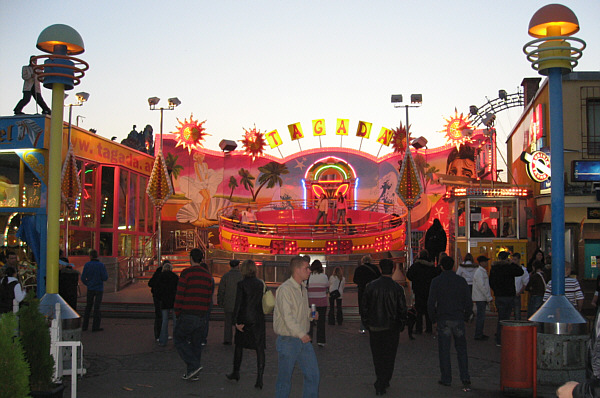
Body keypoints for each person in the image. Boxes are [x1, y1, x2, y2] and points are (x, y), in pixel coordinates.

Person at [273, 255, 319, 398]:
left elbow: (299, 311)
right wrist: (302, 334)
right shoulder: (285, 289)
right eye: (306, 268)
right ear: (297, 270)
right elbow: (288, 316)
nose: (309, 271)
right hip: (289, 339)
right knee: (284, 379)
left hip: (302, 338)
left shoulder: (303, 289)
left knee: (313, 375)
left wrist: (310, 315)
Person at [361, 258, 407, 396]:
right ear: (393, 269)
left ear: (380, 269)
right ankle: (385, 379)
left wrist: (367, 322)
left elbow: (364, 307)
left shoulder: (371, 286)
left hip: (375, 326)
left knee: (378, 355)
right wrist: (401, 324)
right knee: (389, 355)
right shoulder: (397, 288)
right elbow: (402, 309)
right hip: (391, 327)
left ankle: (380, 380)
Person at [428, 255, 472, 391]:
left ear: (441, 266)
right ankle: (465, 377)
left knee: (444, 350)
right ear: (453, 266)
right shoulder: (461, 281)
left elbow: (431, 302)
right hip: (458, 317)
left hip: (443, 318)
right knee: (461, 349)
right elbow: (468, 301)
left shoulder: (436, 281)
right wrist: (466, 316)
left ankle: (446, 378)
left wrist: (433, 319)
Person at [174, 248, 214, 381]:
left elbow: (180, 294)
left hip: (187, 313)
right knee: (196, 344)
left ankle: (193, 365)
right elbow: (209, 298)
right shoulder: (208, 276)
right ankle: (193, 372)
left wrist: (178, 311)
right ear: (202, 259)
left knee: (179, 339)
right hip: (201, 315)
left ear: (191, 258)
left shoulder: (186, 273)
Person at [226, 260, 266, 389]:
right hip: (258, 319)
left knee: (239, 346)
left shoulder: (241, 284)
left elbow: (238, 304)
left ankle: (236, 372)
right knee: (259, 349)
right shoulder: (260, 284)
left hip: (244, 320)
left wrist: (235, 321)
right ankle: (259, 378)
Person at [489, 251, 524, 346]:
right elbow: (520, 272)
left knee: (501, 317)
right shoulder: (509, 267)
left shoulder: (494, 268)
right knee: (507, 317)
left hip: (499, 296)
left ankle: (499, 339)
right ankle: (504, 338)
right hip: (509, 295)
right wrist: (513, 263)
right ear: (507, 258)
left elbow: (491, 282)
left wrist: (496, 290)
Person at [406, 249, 440, 334]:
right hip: (429, 290)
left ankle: (419, 328)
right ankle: (429, 328)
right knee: (428, 309)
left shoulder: (416, 266)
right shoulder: (431, 266)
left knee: (419, 311)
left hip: (418, 290)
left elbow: (409, 275)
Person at [81, 250, 108, 332]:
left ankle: (85, 326)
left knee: (88, 307)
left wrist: (88, 283)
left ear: (90, 256)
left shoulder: (87, 265)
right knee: (97, 307)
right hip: (99, 288)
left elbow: (83, 278)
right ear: (97, 256)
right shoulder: (101, 265)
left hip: (90, 288)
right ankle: (95, 326)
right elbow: (105, 277)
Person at [217, 259, 243, 345]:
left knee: (228, 322)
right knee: (239, 321)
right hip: (239, 304)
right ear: (238, 265)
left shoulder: (225, 276)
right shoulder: (242, 276)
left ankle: (227, 339)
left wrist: (220, 301)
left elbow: (221, 290)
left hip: (228, 303)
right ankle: (239, 339)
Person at [353, 255, 381, 334]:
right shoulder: (375, 268)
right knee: (373, 307)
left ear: (363, 261)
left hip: (362, 291)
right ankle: (373, 325)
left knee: (363, 308)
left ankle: (363, 327)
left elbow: (355, 280)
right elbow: (379, 278)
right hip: (373, 291)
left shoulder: (359, 269)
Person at [156, 262, 179, 347]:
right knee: (175, 321)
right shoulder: (175, 277)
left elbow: (157, 289)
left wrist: (159, 298)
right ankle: (176, 340)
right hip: (174, 301)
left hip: (165, 301)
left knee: (164, 321)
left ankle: (163, 340)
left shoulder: (160, 277)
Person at [307, 260, 328, 347]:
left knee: (310, 322)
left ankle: (309, 339)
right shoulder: (324, 276)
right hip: (322, 303)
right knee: (321, 322)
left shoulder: (309, 277)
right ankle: (321, 341)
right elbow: (327, 286)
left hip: (312, 303)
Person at [472, 255, 493, 340]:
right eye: (485, 261)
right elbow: (482, 286)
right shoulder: (480, 272)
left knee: (481, 316)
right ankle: (478, 334)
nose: (487, 263)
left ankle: (479, 333)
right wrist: (488, 297)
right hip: (481, 297)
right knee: (481, 317)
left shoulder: (480, 272)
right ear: (481, 263)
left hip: (480, 297)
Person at [148, 260, 164, 342]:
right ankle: (162, 334)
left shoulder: (157, 275)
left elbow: (150, 283)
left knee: (159, 316)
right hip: (164, 298)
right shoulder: (170, 276)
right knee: (162, 316)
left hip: (157, 297)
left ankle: (158, 334)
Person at [511, 252, 529, 320]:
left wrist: (520, 291)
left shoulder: (523, 270)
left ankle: (517, 324)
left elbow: (525, 282)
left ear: (519, 260)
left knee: (517, 311)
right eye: (513, 259)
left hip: (517, 293)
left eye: (515, 259)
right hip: (510, 293)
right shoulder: (510, 268)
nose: (513, 261)